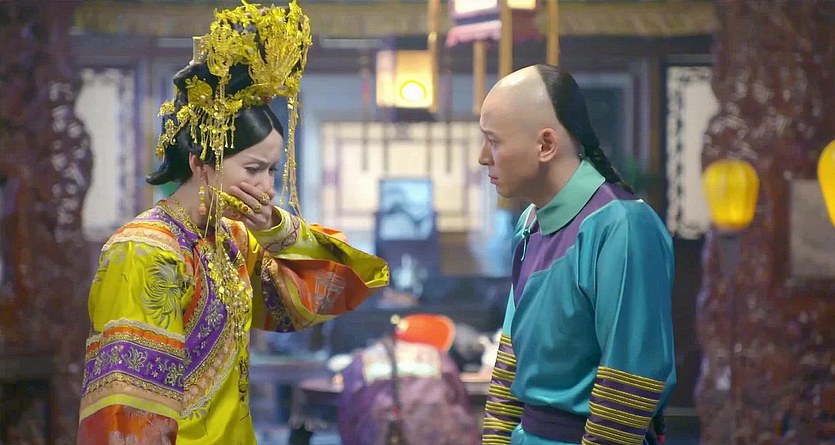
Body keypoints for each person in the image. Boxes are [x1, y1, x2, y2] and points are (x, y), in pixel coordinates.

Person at [76, 2, 389, 444]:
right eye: (253, 169)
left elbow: (344, 283)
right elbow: (132, 409)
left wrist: (276, 229)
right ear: (201, 163)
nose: (266, 188)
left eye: (272, 171)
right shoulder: (145, 250)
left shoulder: (233, 240)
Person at [477, 64, 675, 445]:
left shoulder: (622, 225)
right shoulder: (529, 222)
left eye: (493, 141)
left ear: (546, 145)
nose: (483, 156)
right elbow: (511, 360)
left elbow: (629, 382)